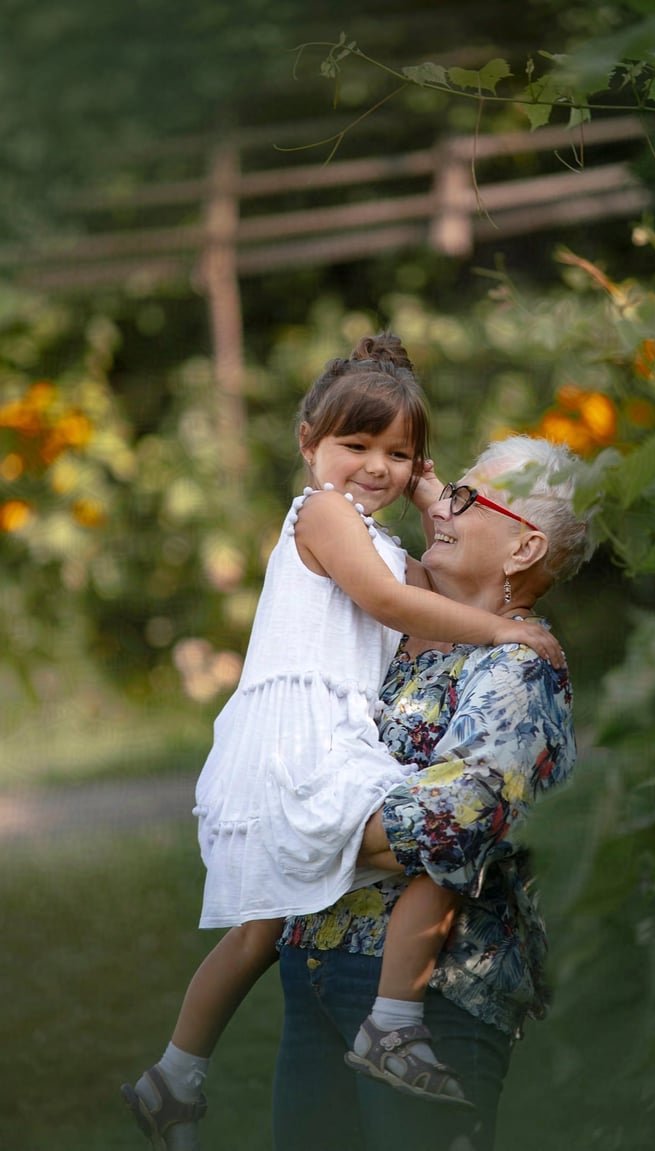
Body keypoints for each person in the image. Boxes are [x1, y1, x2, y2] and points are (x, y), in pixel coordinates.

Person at [121, 335, 563, 1151]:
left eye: (398, 454)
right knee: (355, 874)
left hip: (316, 751)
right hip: (303, 744)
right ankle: (388, 1023)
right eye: (355, 445)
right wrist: (504, 623)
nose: (377, 466)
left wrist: (432, 487)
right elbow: (395, 603)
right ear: (308, 445)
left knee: (262, 925)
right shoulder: (325, 517)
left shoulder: (394, 551)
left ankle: (176, 1074)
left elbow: (430, 585)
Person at [272, 432, 595, 1151]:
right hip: (316, 961)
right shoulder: (408, 630)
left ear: (523, 550)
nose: (441, 507)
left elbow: (451, 824)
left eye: (466, 498)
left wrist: (297, 831)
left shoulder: (521, 669)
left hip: (436, 999)